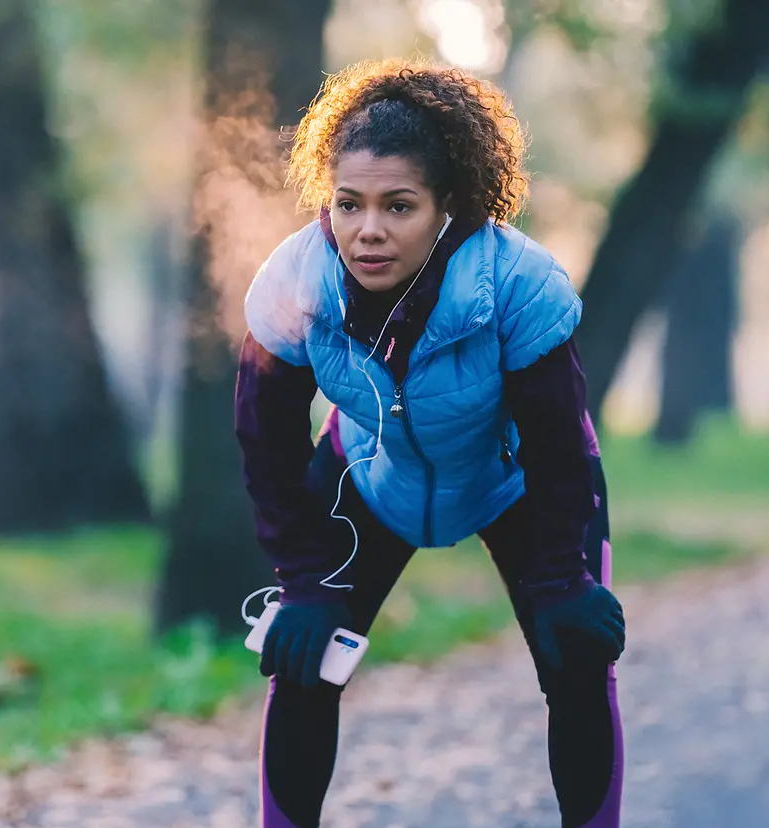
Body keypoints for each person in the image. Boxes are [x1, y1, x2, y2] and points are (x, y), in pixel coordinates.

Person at [234, 58, 626, 828]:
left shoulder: (518, 284)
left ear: (450, 207)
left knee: (576, 655)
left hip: (515, 483)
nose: (368, 230)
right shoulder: (295, 284)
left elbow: (557, 442)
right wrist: (303, 578)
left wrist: (560, 578)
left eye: (399, 206)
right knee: (304, 662)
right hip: (370, 478)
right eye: (348, 204)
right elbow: (265, 442)